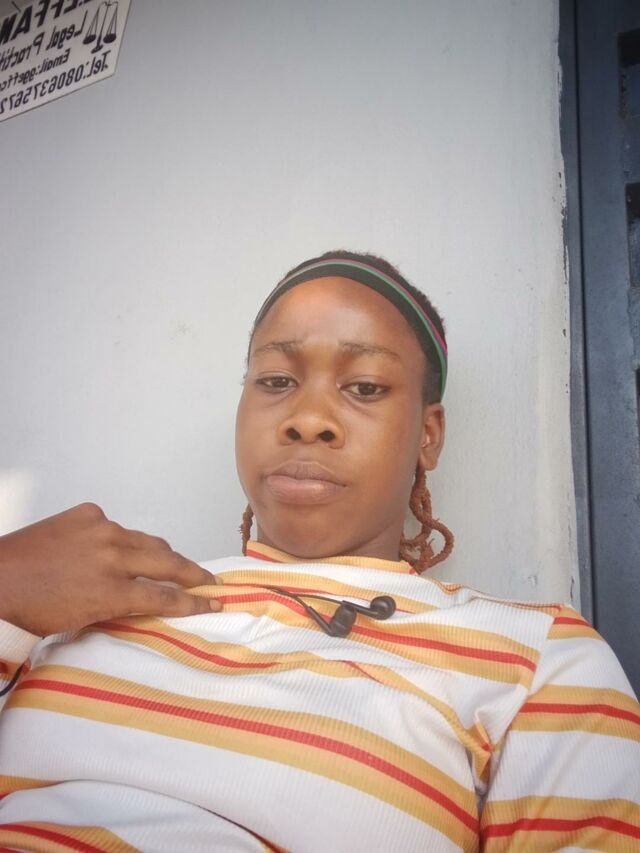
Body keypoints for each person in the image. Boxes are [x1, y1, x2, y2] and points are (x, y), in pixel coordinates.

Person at [0, 250, 638, 852]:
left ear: (428, 435)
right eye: (276, 380)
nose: (308, 419)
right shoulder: (89, 589)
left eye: (365, 387)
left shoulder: (539, 658)